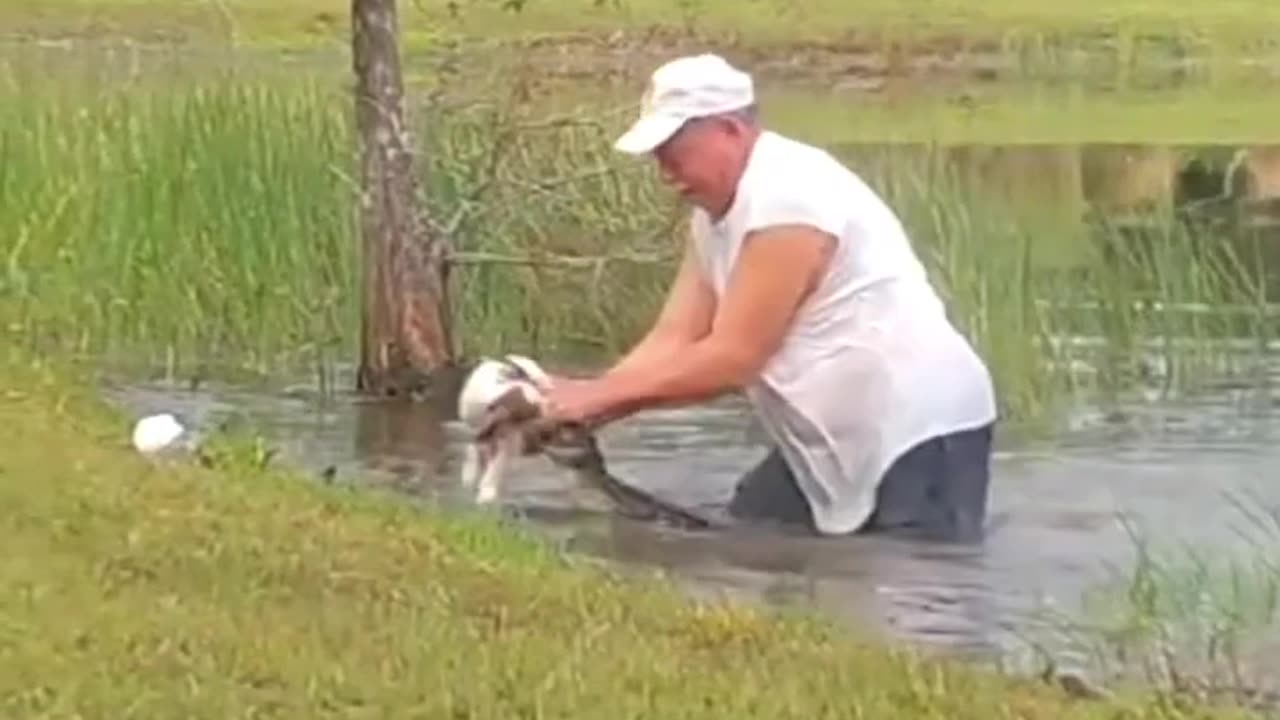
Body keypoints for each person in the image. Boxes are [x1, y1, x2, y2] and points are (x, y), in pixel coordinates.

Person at [538, 53, 999, 543]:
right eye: (658, 155)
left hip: (916, 424)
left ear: (730, 130)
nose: (665, 172)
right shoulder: (714, 214)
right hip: (838, 429)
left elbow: (732, 359)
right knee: (755, 534)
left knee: (917, 590)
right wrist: (576, 407)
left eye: (675, 151)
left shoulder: (789, 196)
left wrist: (589, 401)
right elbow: (675, 337)